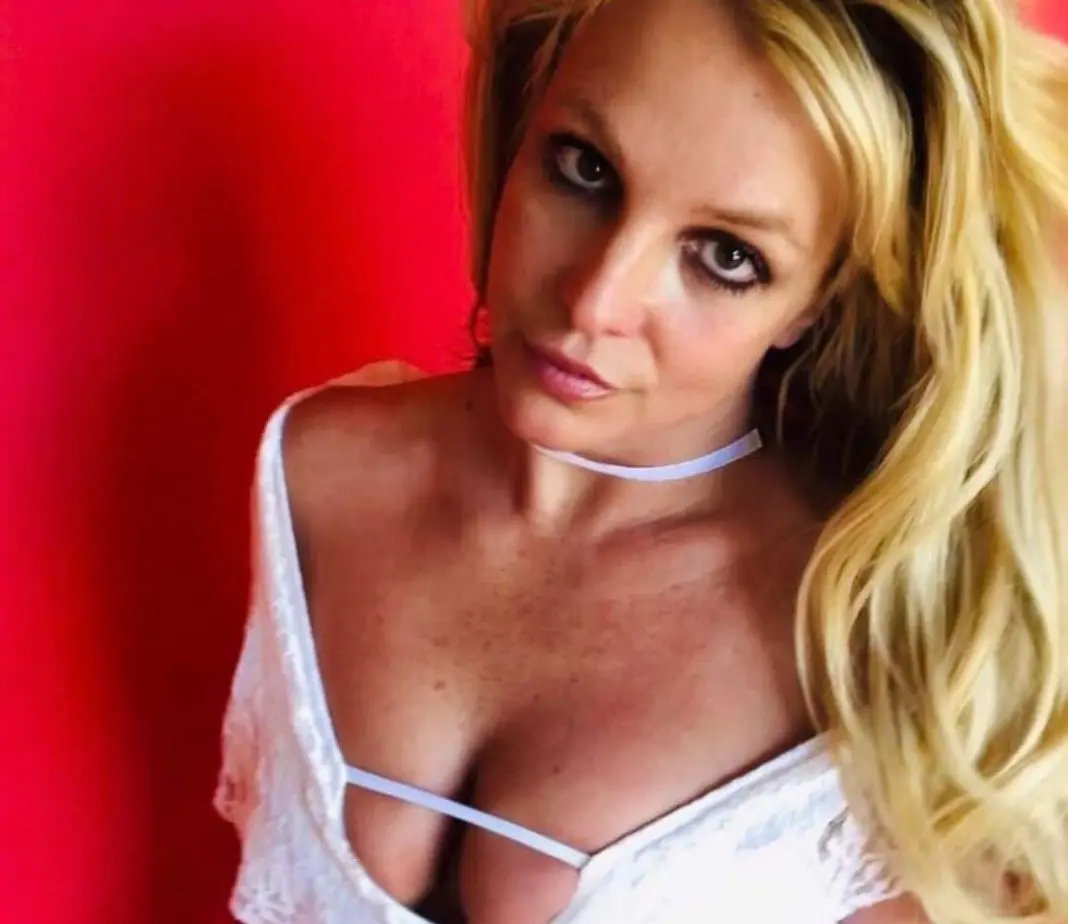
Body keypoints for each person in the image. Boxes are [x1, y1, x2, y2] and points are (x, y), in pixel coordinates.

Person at [213, 0, 1068, 921]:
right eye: (585, 168)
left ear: (818, 302)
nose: (595, 300)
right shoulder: (319, 472)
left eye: (726, 256)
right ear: (526, 119)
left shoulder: (873, 628)